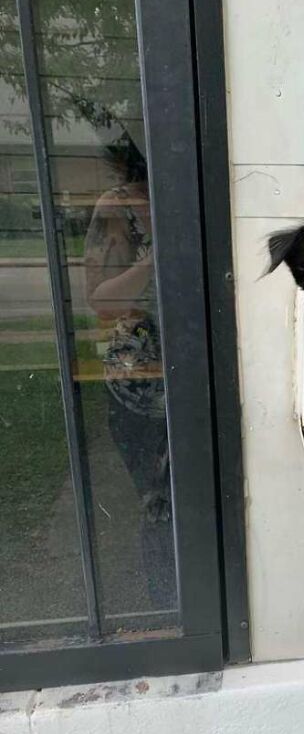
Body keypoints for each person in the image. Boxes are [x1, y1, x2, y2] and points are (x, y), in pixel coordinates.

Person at [84, 133, 176, 610]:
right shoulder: (116, 207)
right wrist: (154, 259)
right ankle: (168, 608)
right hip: (140, 387)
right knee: (158, 505)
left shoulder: (188, 193)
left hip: (199, 375)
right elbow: (100, 300)